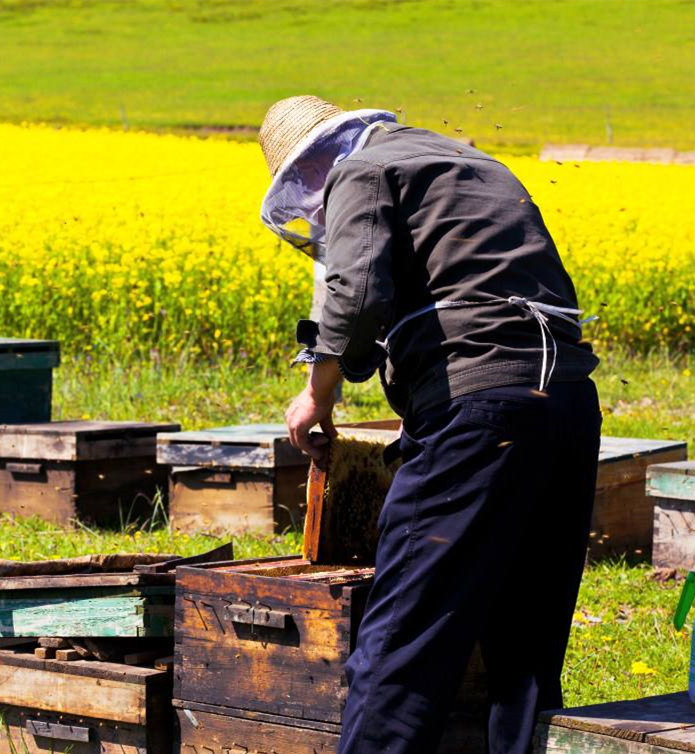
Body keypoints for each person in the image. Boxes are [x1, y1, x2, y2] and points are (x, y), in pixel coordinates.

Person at [258, 95, 603, 754]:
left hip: (480, 412)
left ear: (319, 159)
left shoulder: (363, 172)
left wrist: (316, 394)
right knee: (525, 647)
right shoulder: (470, 161)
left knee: (402, 644)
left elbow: (355, 296)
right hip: (565, 405)